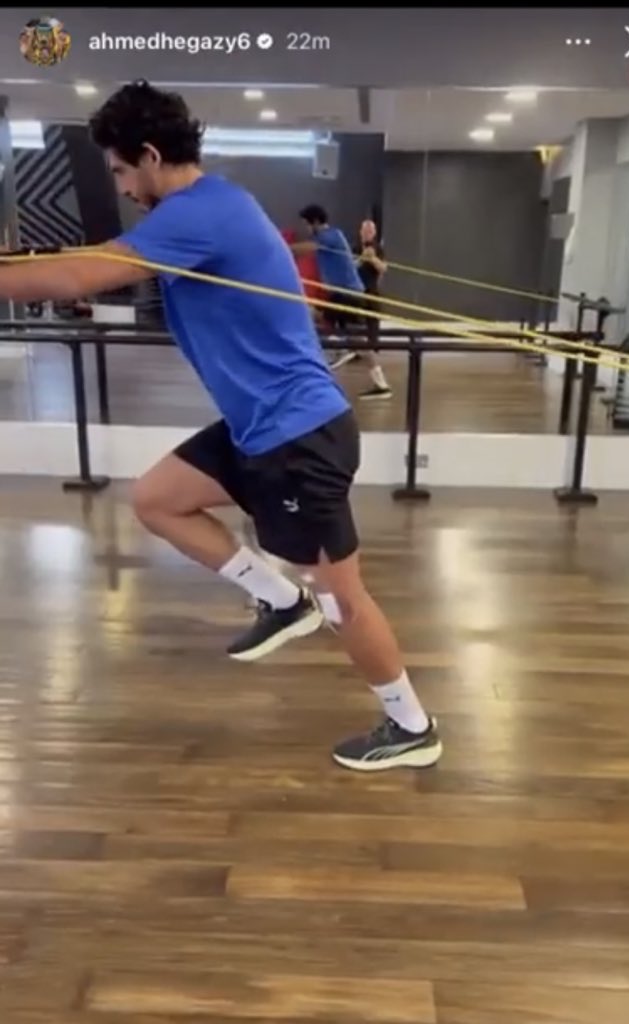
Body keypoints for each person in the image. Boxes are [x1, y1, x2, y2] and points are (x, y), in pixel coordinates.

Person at [0, 80, 442, 772]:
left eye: (120, 171)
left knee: (343, 601)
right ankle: (280, 601)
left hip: (300, 436)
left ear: (150, 156)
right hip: (257, 427)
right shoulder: (206, 209)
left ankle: (411, 725)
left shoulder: (199, 212)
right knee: (157, 499)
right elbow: (88, 261)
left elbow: (78, 277)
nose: (122, 187)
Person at [294, 206, 393, 399]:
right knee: (317, 318)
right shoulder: (333, 237)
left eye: (306, 224)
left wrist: (277, 247)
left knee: (317, 318)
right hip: (341, 294)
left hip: (348, 295)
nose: (305, 228)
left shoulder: (330, 236)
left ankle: (341, 349)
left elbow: (305, 249)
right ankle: (346, 353)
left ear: (315, 222)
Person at [352, 218, 393, 400]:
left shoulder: (378, 249)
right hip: (355, 296)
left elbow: (384, 269)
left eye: (371, 230)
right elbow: (349, 268)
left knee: (371, 338)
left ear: (374, 233)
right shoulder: (353, 248)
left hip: (372, 296)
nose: (368, 233)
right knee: (355, 334)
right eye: (365, 230)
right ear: (360, 231)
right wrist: (362, 258)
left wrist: (373, 258)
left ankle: (380, 383)